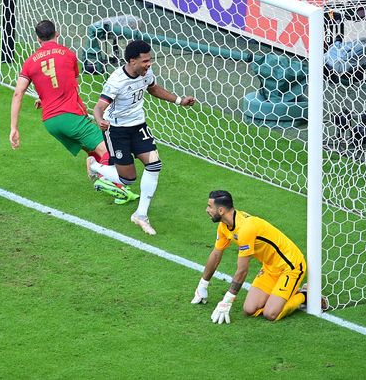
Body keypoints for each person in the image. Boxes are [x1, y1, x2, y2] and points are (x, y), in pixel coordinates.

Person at [9, 20, 137, 203]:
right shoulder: (69, 55)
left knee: (94, 150)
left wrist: (14, 127)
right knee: (110, 148)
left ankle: (121, 193)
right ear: (57, 34)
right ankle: (101, 176)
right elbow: (70, 82)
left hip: (51, 122)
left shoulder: (30, 62)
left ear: (37, 39)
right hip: (71, 117)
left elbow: (18, 93)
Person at [92, 39, 195, 235]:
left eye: (150, 60)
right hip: (117, 130)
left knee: (155, 165)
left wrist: (180, 100)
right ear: (132, 61)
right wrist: (99, 120)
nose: (149, 64)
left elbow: (153, 88)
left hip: (138, 125)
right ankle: (94, 166)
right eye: (145, 61)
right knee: (128, 179)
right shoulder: (116, 81)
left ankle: (140, 215)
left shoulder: (146, 73)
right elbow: (99, 107)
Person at [191, 190, 327, 324]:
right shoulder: (224, 226)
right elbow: (215, 255)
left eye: (210, 206)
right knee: (249, 309)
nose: (207, 210)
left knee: (271, 313)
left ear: (221, 211)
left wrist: (227, 300)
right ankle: (284, 293)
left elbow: (242, 270)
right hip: (270, 267)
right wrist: (202, 285)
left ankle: (306, 295)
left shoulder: (245, 229)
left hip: (290, 266)